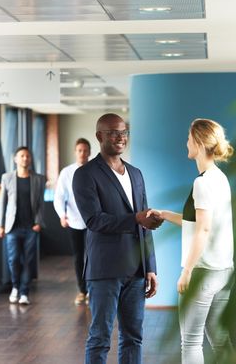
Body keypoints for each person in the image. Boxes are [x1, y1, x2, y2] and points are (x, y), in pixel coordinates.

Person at [72, 113, 163, 364]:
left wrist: (151, 267)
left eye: (123, 132)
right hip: (104, 271)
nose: (120, 137)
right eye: (113, 132)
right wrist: (135, 219)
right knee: (100, 337)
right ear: (99, 136)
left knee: (133, 337)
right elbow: (94, 220)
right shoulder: (85, 174)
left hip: (136, 270)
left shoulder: (136, 173)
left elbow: (145, 222)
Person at [148, 118, 234, 364]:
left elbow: (203, 230)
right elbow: (199, 222)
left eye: (188, 138)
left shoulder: (202, 182)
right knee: (219, 338)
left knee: (191, 341)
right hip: (224, 271)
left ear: (197, 141)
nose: (186, 142)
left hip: (202, 273)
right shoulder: (219, 178)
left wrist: (187, 271)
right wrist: (164, 214)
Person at [0, 146, 45, 305]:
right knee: (14, 259)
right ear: (15, 159)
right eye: (22, 156)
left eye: (27, 156)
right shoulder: (7, 178)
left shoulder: (38, 179)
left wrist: (38, 222)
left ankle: (25, 292)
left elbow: (40, 204)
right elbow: (2, 203)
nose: (25, 158)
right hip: (13, 227)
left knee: (29, 260)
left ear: (30, 159)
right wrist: (1, 224)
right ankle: (15, 287)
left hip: (31, 227)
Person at [54, 137, 91, 305]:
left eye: (85, 150)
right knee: (78, 257)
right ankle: (82, 290)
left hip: (93, 222)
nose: (82, 153)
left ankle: (92, 289)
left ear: (89, 152)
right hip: (74, 220)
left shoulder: (96, 170)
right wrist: (62, 215)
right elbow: (59, 196)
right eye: (79, 150)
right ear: (75, 152)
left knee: (92, 256)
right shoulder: (67, 172)